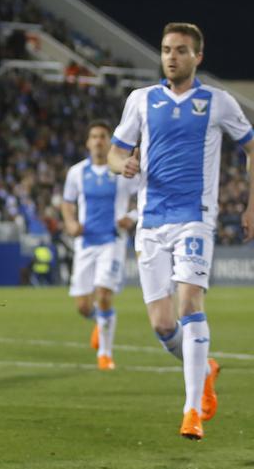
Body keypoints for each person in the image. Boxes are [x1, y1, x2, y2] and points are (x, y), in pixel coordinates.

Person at [108, 23, 254, 440]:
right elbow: (117, 152)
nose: (172, 56)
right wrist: (124, 165)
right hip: (151, 222)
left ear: (198, 58)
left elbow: (251, 147)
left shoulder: (217, 102)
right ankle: (206, 368)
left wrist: (250, 205)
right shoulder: (141, 100)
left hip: (195, 217)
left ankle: (191, 410)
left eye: (182, 50)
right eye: (167, 49)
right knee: (162, 325)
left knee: (190, 303)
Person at [61, 120, 138, 370]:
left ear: (109, 141)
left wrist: (133, 218)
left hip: (112, 241)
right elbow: (67, 203)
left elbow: (145, 197)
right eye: (94, 136)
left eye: (103, 136)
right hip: (85, 242)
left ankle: (105, 354)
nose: (98, 141)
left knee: (104, 295)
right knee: (84, 306)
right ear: (87, 142)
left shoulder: (122, 172)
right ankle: (100, 322)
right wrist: (71, 223)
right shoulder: (77, 173)